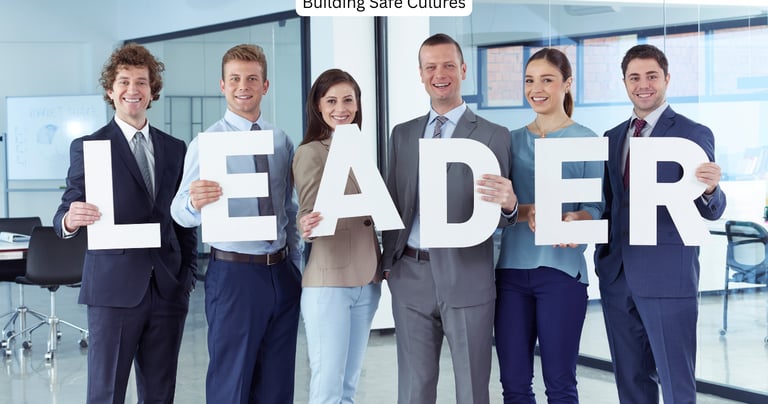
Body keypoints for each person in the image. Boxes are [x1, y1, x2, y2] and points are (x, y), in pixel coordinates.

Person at [53, 43, 198, 404]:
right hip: (113, 291)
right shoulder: (89, 147)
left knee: (160, 393)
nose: (132, 89)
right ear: (110, 90)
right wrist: (71, 219)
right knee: (106, 394)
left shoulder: (176, 148)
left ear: (152, 92)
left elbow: (184, 221)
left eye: (141, 82)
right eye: (123, 81)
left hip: (167, 288)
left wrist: (187, 276)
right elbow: (63, 214)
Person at [381, 33, 518, 404]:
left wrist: (509, 206)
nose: (439, 74)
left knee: (472, 388)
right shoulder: (403, 134)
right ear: (421, 74)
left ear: (463, 69)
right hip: (410, 274)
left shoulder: (494, 135)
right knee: (414, 387)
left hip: (467, 273)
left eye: (447, 65)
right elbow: (395, 200)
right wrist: (388, 264)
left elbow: (501, 214)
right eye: (430, 67)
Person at [170, 44, 302, 403]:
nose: (243, 85)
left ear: (265, 85)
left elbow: (287, 208)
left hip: (281, 272)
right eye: (235, 79)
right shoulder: (207, 142)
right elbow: (178, 211)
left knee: (277, 384)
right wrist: (194, 202)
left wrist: (296, 265)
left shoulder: (280, 140)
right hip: (234, 276)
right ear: (223, 85)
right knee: (232, 382)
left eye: (252, 78)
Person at [594, 44, 726, 404]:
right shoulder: (613, 137)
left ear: (667, 79)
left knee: (676, 383)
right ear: (624, 82)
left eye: (652, 76)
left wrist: (711, 189)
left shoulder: (692, 134)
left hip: (668, 278)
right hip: (618, 276)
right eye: (634, 77)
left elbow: (712, 210)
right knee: (631, 380)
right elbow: (610, 206)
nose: (643, 84)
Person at [494, 48, 604, 404]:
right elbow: (498, 207)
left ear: (567, 84)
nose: (536, 88)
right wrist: (528, 210)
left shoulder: (587, 140)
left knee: (560, 384)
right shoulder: (507, 141)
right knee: (513, 384)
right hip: (509, 274)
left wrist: (573, 220)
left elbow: (595, 208)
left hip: (562, 274)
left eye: (547, 79)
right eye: (529, 80)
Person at [293, 68, 382, 403]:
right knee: (328, 384)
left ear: (357, 105)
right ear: (318, 106)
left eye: (348, 99)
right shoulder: (311, 152)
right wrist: (306, 226)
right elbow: (308, 207)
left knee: (348, 383)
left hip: (367, 282)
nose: (340, 107)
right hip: (329, 283)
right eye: (331, 100)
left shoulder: (359, 150)